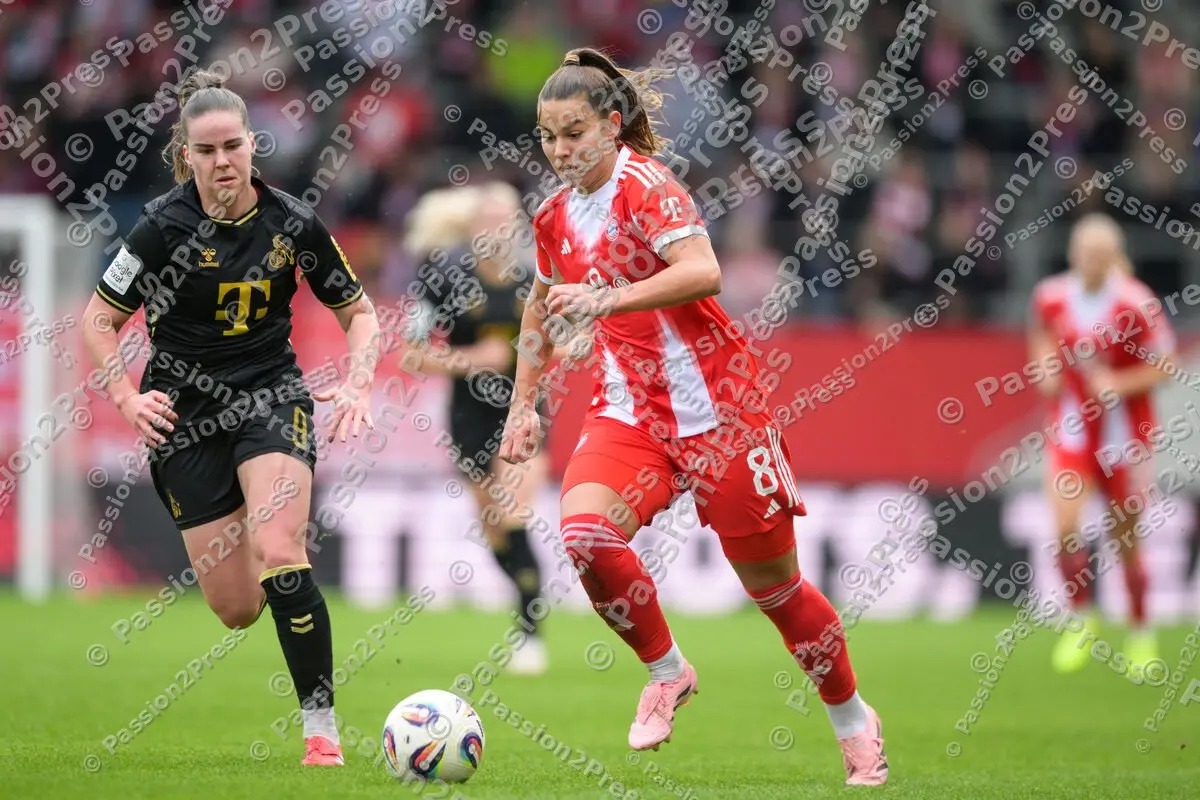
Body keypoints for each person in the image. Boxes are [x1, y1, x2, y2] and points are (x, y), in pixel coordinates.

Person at [498, 48, 888, 787]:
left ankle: (851, 719)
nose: (558, 151)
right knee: (583, 534)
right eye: (547, 137)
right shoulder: (552, 215)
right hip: (631, 411)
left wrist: (609, 297)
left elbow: (703, 270)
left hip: (722, 412)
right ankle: (668, 671)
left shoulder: (647, 186)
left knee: (776, 594)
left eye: (573, 132)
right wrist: (523, 404)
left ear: (612, 126)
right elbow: (540, 306)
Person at [80, 69, 379, 767]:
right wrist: (126, 398)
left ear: (253, 146)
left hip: (271, 394)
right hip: (183, 418)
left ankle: (322, 731)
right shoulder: (160, 228)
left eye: (233, 147)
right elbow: (99, 320)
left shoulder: (293, 222)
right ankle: (255, 526)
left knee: (282, 550)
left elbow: (358, 312)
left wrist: (361, 381)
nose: (222, 162)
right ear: (186, 156)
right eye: (207, 151)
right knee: (238, 607)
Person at [401, 181, 590, 675]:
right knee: (494, 533)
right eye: (483, 220)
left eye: (502, 220)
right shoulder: (443, 280)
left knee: (512, 513)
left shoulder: (537, 283)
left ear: (517, 227)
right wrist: (469, 360)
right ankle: (526, 600)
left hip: (523, 413)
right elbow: (411, 352)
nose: (493, 230)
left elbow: (570, 343)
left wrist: (555, 350)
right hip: (468, 418)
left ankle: (531, 634)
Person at [1029, 212, 1175, 677]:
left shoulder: (1137, 304)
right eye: (1084, 254)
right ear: (1074, 254)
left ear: (1113, 257)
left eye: (1099, 255)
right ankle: (1082, 617)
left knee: (1126, 539)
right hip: (1073, 432)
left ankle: (1139, 630)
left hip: (1124, 438)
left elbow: (1165, 363)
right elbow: (1041, 337)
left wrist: (1120, 382)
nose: (1090, 262)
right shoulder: (1052, 296)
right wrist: (1047, 367)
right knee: (1065, 526)